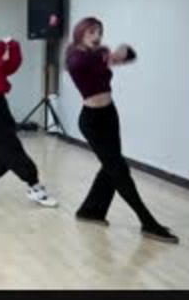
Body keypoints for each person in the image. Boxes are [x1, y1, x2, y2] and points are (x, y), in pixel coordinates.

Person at [66, 17, 179, 244]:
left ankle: (90, 211)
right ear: (80, 33)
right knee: (119, 170)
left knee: (111, 166)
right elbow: (85, 63)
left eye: (99, 32)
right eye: (91, 32)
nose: (97, 36)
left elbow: (130, 54)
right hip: (92, 122)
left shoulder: (98, 53)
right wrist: (109, 55)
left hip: (109, 115)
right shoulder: (75, 57)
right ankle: (148, 222)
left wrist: (121, 51)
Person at [0, 25, 58, 207]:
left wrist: (13, 47)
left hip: (0, 105)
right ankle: (33, 185)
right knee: (11, 148)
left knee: (5, 149)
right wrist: (0, 47)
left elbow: (10, 67)